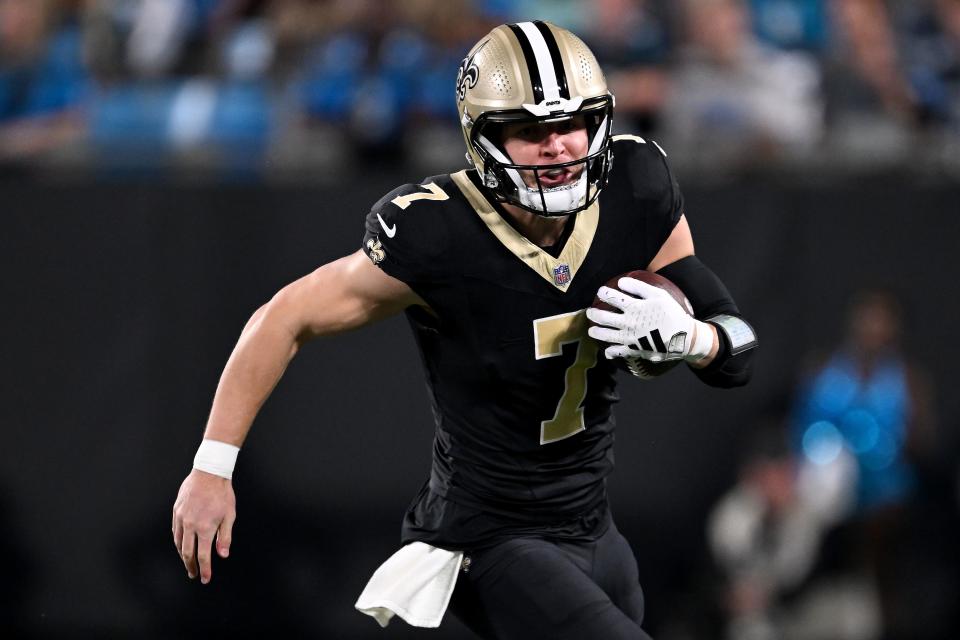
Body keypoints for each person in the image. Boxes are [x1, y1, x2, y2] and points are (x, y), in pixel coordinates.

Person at [172, 20, 757, 639]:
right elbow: (283, 317)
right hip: (493, 538)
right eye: (530, 132)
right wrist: (212, 467)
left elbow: (737, 348)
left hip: (595, 529)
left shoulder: (634, 186)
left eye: (569, 125)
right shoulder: (439, 232)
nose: (557, 147)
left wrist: (693, 338)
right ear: (484, 139)